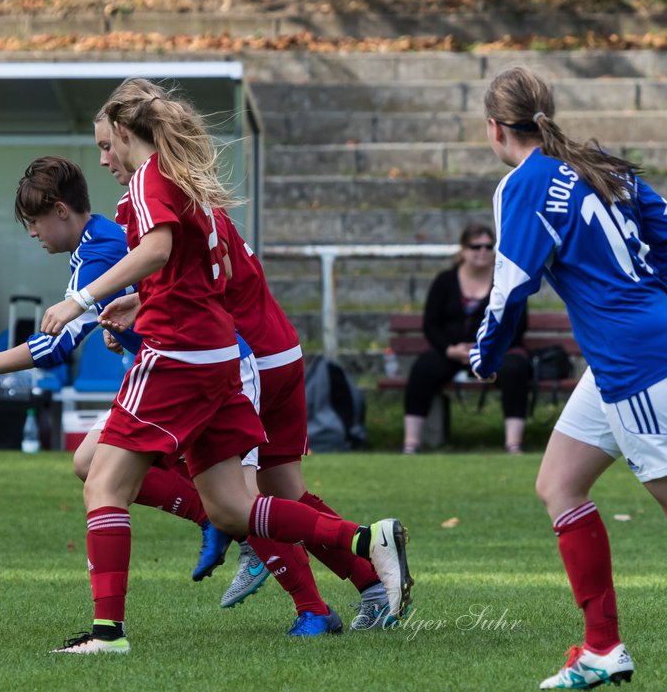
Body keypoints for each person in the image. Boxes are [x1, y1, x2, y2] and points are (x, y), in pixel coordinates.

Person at [37, 78, 412, 653]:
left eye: (105, 145)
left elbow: (158, 249)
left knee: (103, 480)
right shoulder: (187, 182)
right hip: (222, 353)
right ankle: (367, 541)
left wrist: (79, 300)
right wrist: (146, 298)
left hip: (180, 354)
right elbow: (206, 271)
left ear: (121, 129)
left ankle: (106, 634)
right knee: (234, 507)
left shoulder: (149, 180)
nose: (104, 158)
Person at [471, 66, 667, 690]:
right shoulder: (597, 161)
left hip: (637, 364)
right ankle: (603, 650)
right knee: (559, 484)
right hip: (636, 352)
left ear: (494, 128)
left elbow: (513, 283)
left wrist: (484, 354)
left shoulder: (521, 184)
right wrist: (639, 293)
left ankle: (604, 647)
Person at [0, 155, 270, 610]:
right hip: (177, 371)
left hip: (214, 369)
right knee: (92, 463)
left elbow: (55, 346)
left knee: (249, 506)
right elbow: (147, 301)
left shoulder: (98, 253)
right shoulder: (99, 238)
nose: (31, 233)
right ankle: (217, 526)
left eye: (35, 222)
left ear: (60, 211)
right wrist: (129, 334)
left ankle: (348, 567)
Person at [402, 223, 532, 454]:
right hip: (453, 352)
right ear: (463, 249)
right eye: (475, 246)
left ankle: (513, 443)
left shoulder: (505, 282)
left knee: (515, 369)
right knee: (424, 368)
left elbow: (518, 325)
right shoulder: (445, 281)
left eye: (488, 246)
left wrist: (486, 349)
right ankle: (411, 442)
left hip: (494, 352)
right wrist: (450, 349)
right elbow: (430, 325)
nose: (482, 251)